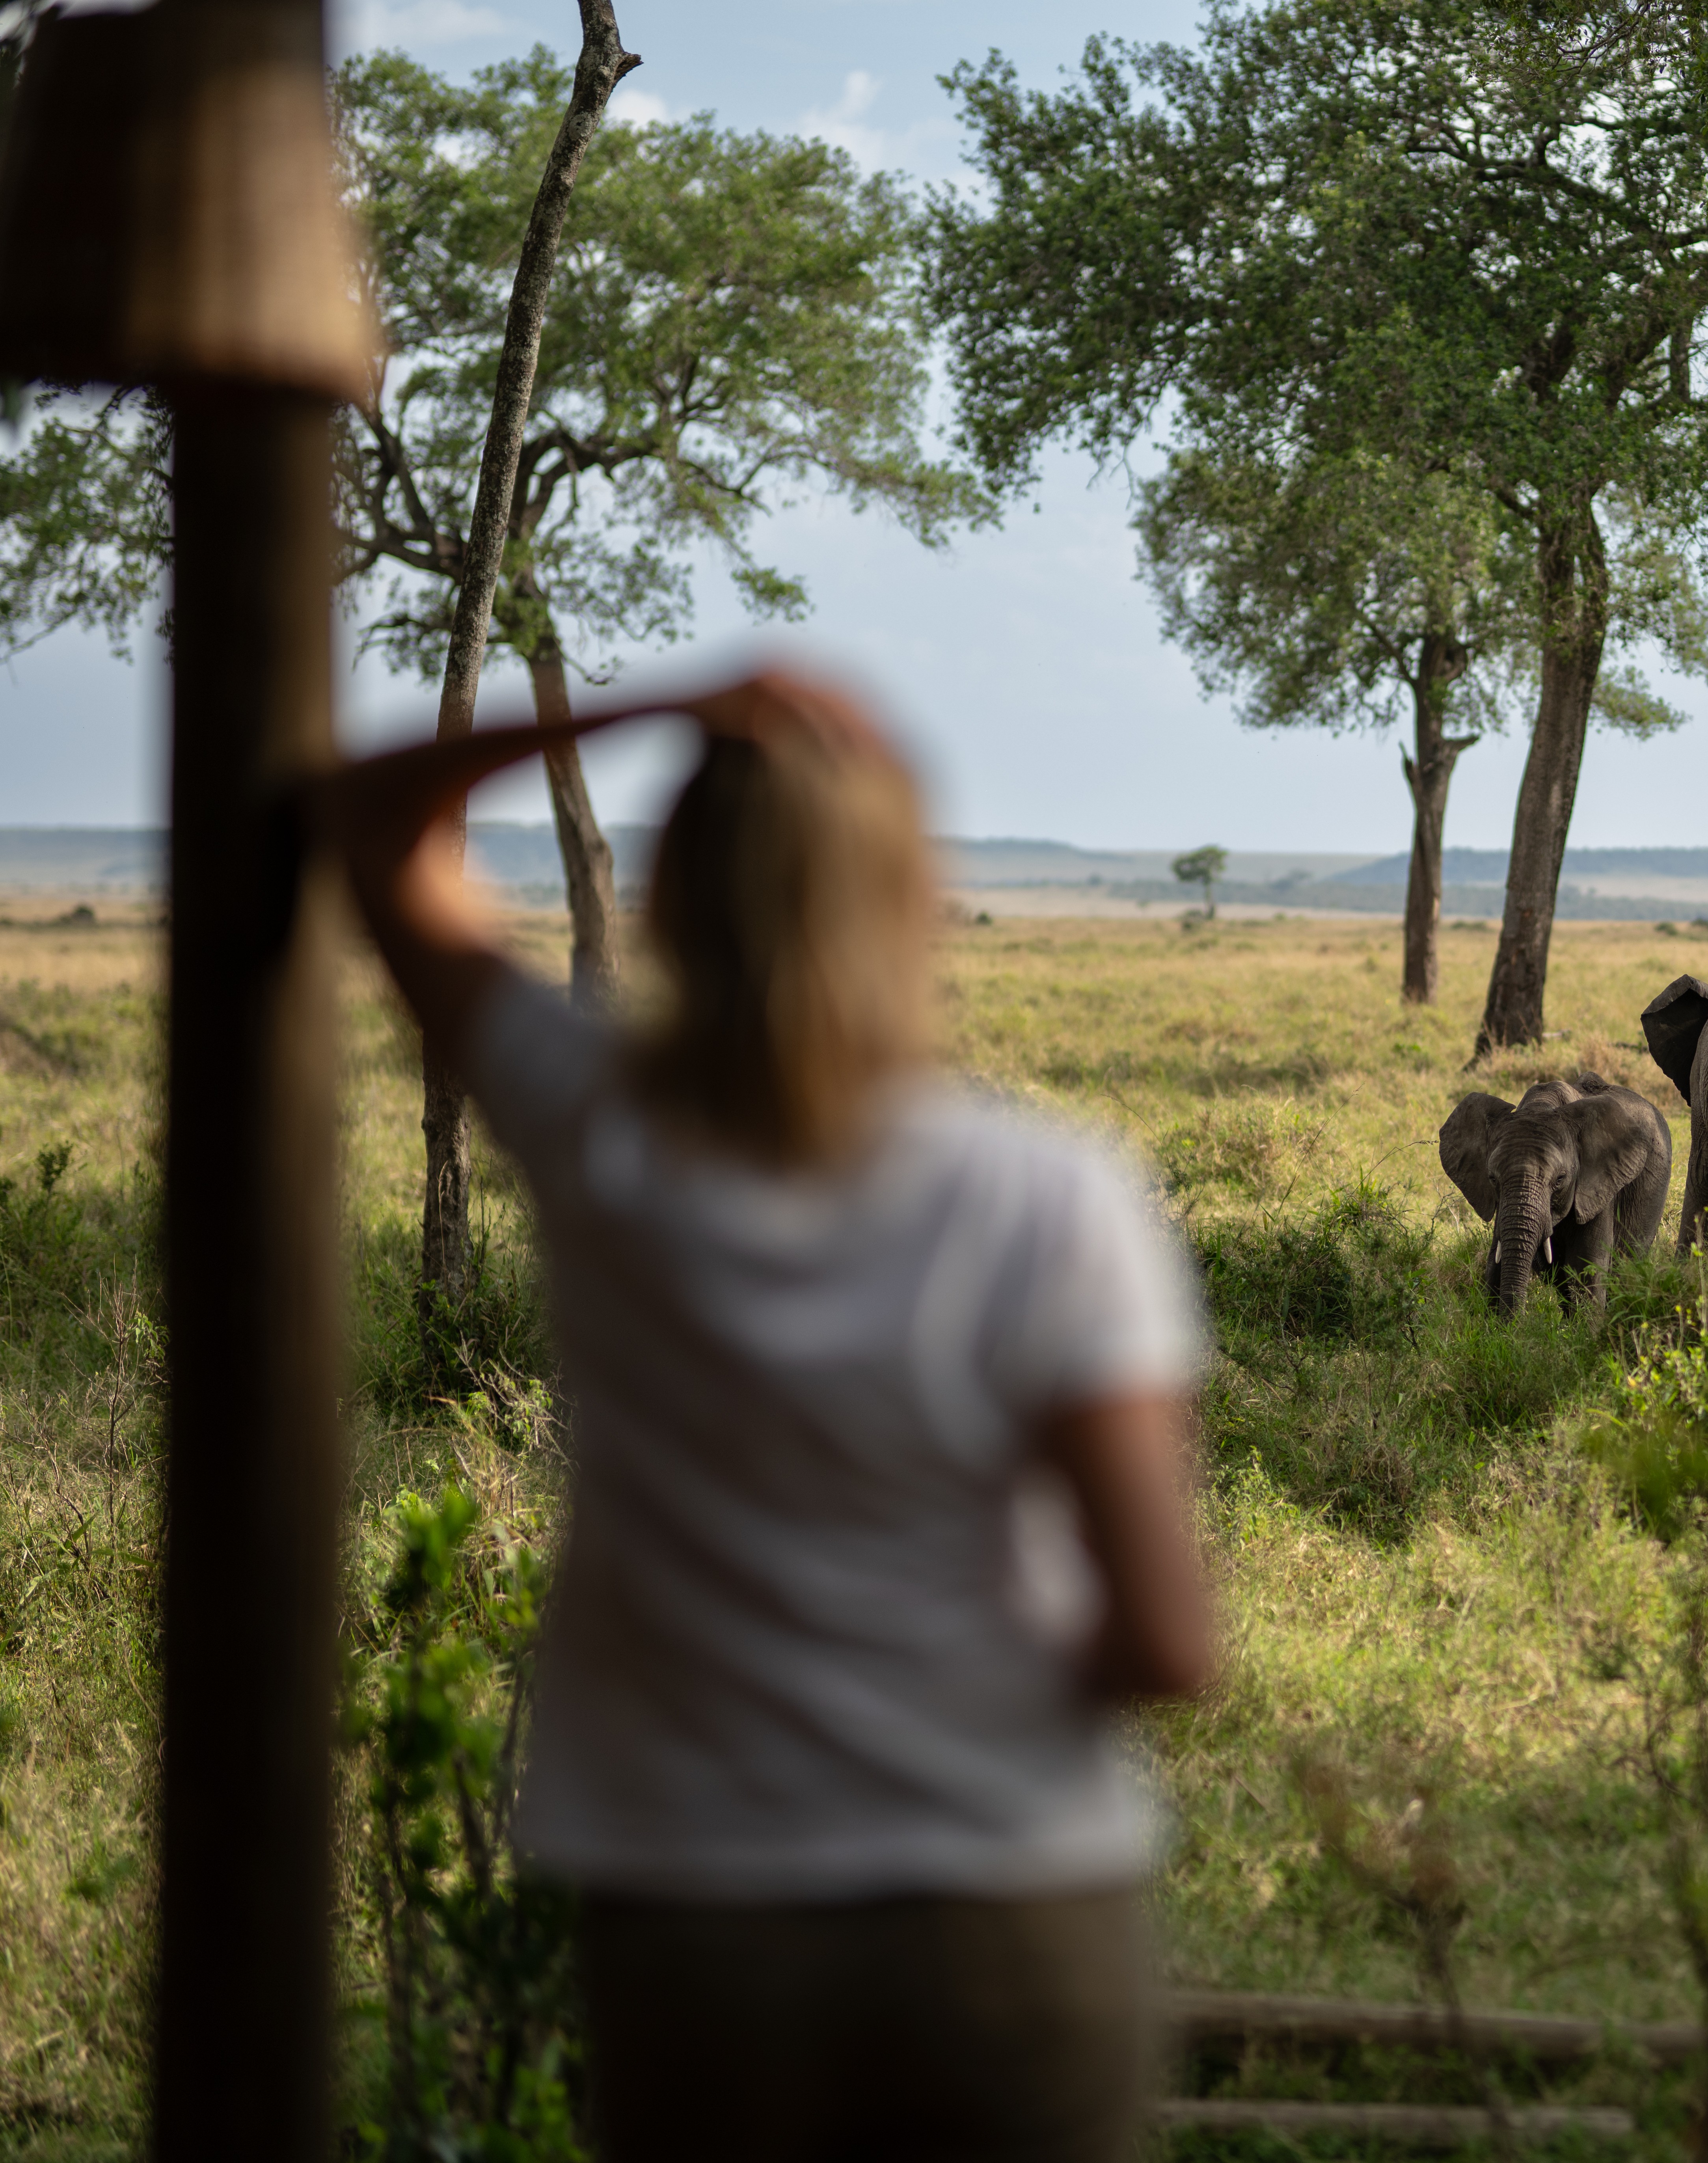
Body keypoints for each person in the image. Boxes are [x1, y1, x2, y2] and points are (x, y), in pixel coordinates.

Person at [326, 666, 1215, 2161]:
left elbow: (366, 825)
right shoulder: (1053, 1198)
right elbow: (1168, 1645)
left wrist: (648, 709)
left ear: (666, 903)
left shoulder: (600, 1129)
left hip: (694, 1912)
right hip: (1009, 1909)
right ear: (917, 903)